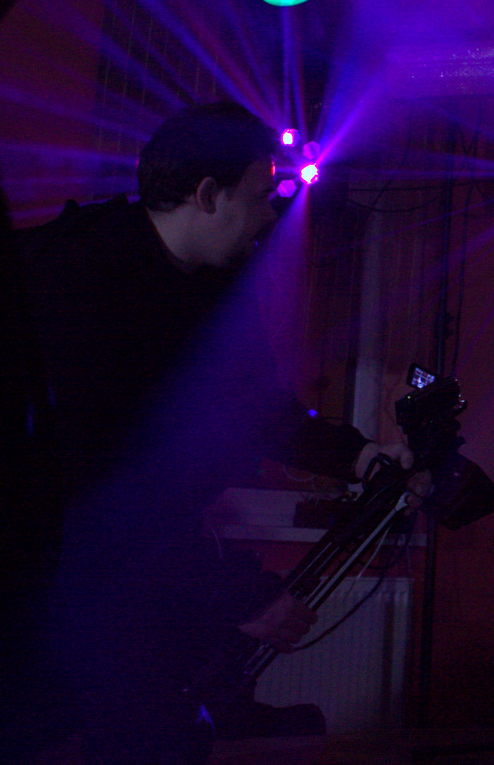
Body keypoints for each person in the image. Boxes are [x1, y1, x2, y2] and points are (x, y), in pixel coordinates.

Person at [14, 101, 421, 764]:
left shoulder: (212, 282)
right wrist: (234, 597)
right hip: (53, 590)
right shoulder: (76, 281)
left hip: (113, 585)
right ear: (208, 195)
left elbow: (258, 409)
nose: (271, 217)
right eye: (260, 196)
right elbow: (100, 490)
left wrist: (362, 456)